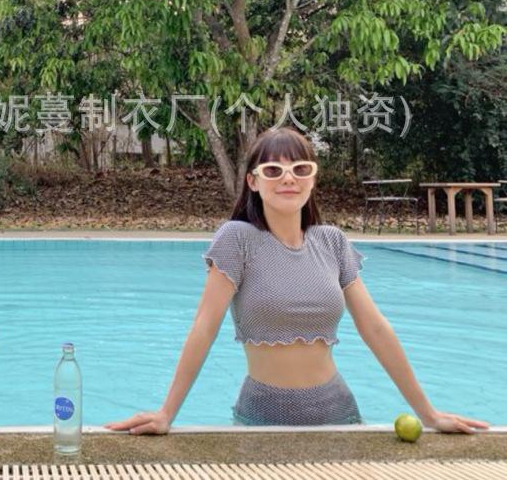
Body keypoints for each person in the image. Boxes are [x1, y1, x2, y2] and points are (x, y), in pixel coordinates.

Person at [106, 127, 490, 433]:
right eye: (273, 170)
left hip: (338, 413)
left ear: (312, 179)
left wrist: (428, 414)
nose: (288, 178)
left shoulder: (332, 242)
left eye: (300, 169)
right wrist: (167, 413)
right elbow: (204, 328)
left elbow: (375, 329)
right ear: (253, 181)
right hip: (260, 417)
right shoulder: (236, 240)